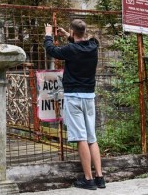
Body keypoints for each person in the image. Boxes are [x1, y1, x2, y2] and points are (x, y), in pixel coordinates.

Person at [44, 19, 105, 190]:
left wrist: (48, 35)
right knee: (92, 137)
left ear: (72, 32)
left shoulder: (70, 50)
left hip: (74, 98)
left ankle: (88, 179)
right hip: (89, 97)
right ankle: (100, 177)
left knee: (81, 137)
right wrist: (68, 35)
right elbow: (81, 43)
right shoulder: (93, 46)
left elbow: (51, 50)